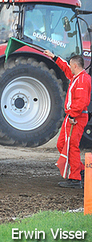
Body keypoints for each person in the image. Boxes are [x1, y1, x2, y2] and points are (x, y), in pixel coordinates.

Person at [44, 50, 91, 189]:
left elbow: (81, 101)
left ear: (75, 66)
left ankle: (75, 178)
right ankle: (81, 170)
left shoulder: (82, 80)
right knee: (63, 144)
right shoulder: (77, 76)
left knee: (71, 146)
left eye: (71, 65)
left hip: (76, 117)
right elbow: (65, 68)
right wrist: (54, 57)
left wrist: (72, 116)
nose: (69, 67)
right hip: (73, 116)